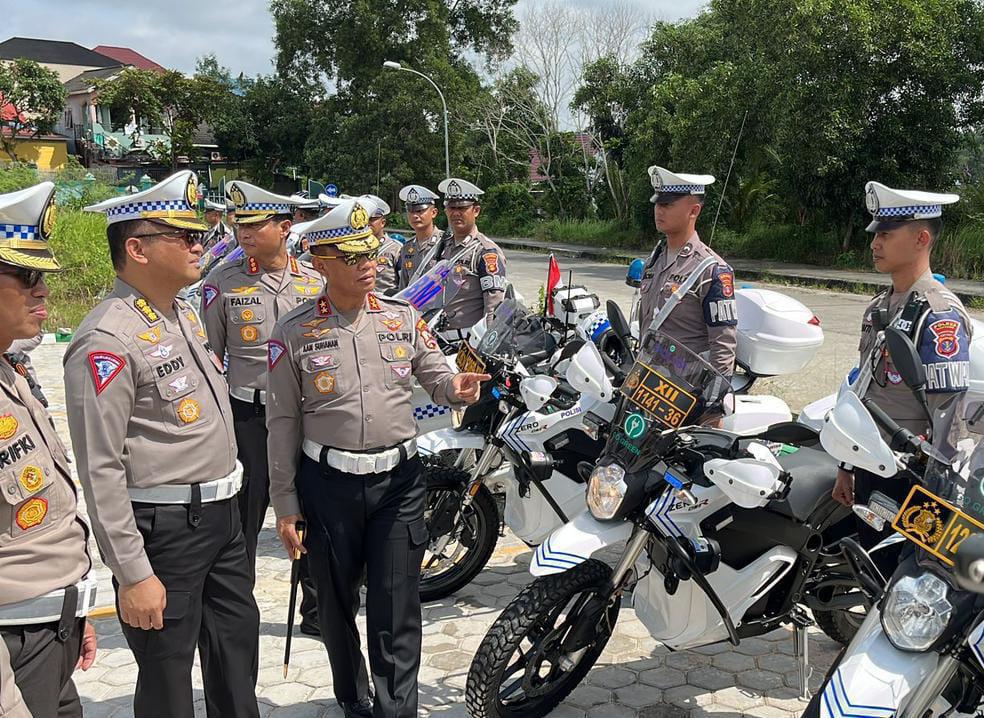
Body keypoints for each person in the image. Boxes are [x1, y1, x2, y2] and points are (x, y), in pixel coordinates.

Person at [266, 198, 488, 718]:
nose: (368, 263)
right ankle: (354, 699)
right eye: (352, 256)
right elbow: (282, 422)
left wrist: (457, 386)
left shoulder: (402, 317)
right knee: (336, 606)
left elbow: (436, 373)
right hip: (328, 486)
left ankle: (395, 709)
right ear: (322, 264)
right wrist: (285, 504)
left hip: (400, 483)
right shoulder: (294, 332)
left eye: (370, 252)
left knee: (397, 608)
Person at [64, 170, 260, 718]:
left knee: (236, 659)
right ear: (137, 249)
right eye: (184, 236)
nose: (201, 243)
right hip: (165, 533)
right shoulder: (106, 339)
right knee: (169, 682)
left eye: (198, 234)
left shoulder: (182, 313)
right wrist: (132, 573)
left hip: (222, 518)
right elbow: (100, 469)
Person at [832, 181, 972, 566]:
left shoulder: (938, 314)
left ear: (921, 238)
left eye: (886, 234)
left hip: (915, 477)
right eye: (875, 234)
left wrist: (939, 492)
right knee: (873, 572)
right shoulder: (879, 307)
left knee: (911, 580)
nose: (875, 243)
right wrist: (846, 466)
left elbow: (948, 411)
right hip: (871, 466)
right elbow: (862, 387)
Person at [0, 182, 97, 718]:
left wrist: (71, 611)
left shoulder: (12, 369)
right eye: (26, 277)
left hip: (47, 628)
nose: (43, 294)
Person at [202, 181, 323, 572]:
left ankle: (314, 604)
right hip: (250, 417)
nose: (245, 233)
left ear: (285, 227)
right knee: (244, 514)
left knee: (311, 509)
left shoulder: (315, 282)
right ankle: (240, 607)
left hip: (306, 415)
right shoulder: (221, 282)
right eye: (241, 225)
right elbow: (210, 359)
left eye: (256, 225)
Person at [638, 166, 738, 419]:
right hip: (648, 385)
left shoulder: (711, 269)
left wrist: (712, 407)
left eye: (668, 204)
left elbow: (723, 343)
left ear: (694, 210)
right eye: (657, 203)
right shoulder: (656, 258)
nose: (659, 209)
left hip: (685, 392)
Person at [433, 177, 507, 333]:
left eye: (462, 208)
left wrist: (485, 341)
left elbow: (493, 304)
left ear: (476, 211)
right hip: (438, 334)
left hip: (466, 339)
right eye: (452, 208)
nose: (456, 213)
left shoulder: (485, 251)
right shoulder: (442, 246)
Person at [395, 184, 443, 290]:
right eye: (411, 211)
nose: (415, 215)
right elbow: (404, 285)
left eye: (420, 211)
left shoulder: (445, 243)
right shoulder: (407, 247)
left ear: (434, 212)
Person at [360, 194, 402, 295]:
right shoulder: (354, 248)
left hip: (387, 305)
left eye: (372, 219)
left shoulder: (396, 249)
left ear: (382, 222)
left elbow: (404, 281)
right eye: (364, 219)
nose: (367, 223)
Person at [288, 192, 322, 258]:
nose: (293, 216)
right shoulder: (323, 232)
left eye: (294, 212)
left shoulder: (297, 236)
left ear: (302, 215)